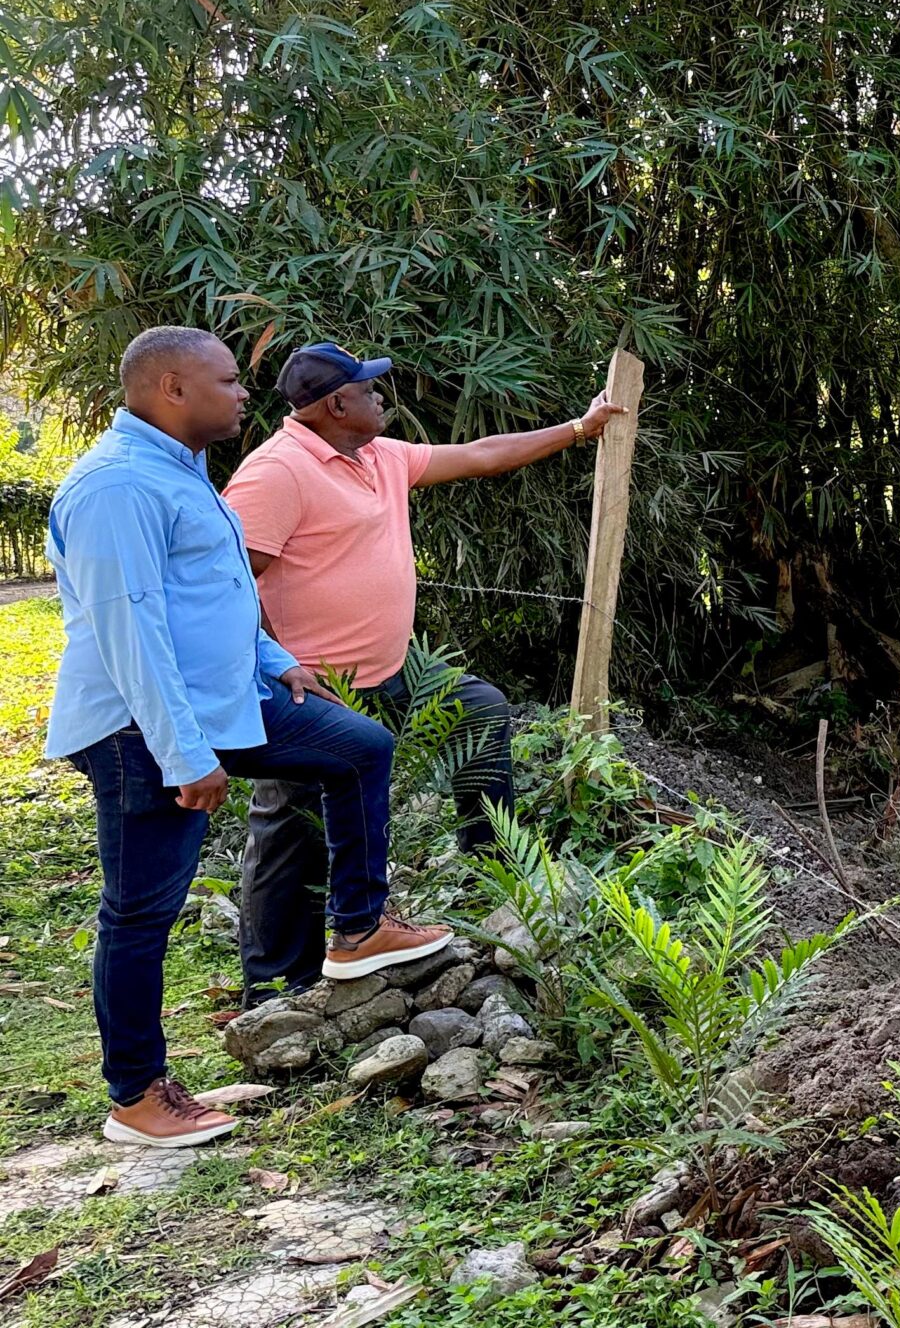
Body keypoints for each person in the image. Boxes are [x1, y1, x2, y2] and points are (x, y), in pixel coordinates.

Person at [47, 327, 453, 1149]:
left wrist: (275, 658)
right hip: (143, 728)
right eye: (229, 382)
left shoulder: (181, 472)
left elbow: (215, 589)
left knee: (358, 748)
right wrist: (184, 756)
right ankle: (136, 1094)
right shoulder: (117, 489)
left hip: (223, 701)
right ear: (170, 388)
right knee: (140, 912)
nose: (244, 395)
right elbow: (134, 631)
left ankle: (358, 929)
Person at [222, 342, 625, 1003]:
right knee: (291, 824)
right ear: (336, 404)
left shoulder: (377, 456)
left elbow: (481, 456)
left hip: (391, 670)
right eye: (369, 389)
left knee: (479, 707)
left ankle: (493, 870)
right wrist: (280, 665)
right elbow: (228, 586)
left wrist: (579, 430)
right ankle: (273, 988)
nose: (382, 397)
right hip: (318, 684)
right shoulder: (277, 474)